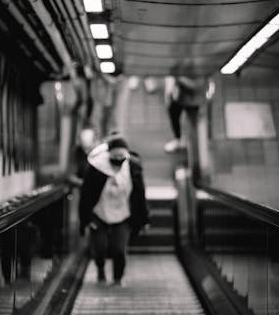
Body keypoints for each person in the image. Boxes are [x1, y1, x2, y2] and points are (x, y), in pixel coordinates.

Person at [78, 135, 149, 285]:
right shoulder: (96, 168)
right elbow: (86, 194)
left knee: (119, 249)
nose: (118, 159)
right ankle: (101, 271)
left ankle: (117, 279)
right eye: (115, 155)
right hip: (99, 212)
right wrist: (85, 219)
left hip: (123, 213)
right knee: (100, 246)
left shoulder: (133, 167)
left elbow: (140, 194)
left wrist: (144, 219)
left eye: (121, 156)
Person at [164, 74, 201, 152]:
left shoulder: (195, 73)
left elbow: (196, 86)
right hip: (181, 99)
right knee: (174, 111)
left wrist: (180, 79)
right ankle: (179, 139)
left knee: (193, 123)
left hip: (193, 101)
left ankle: (191, 141)